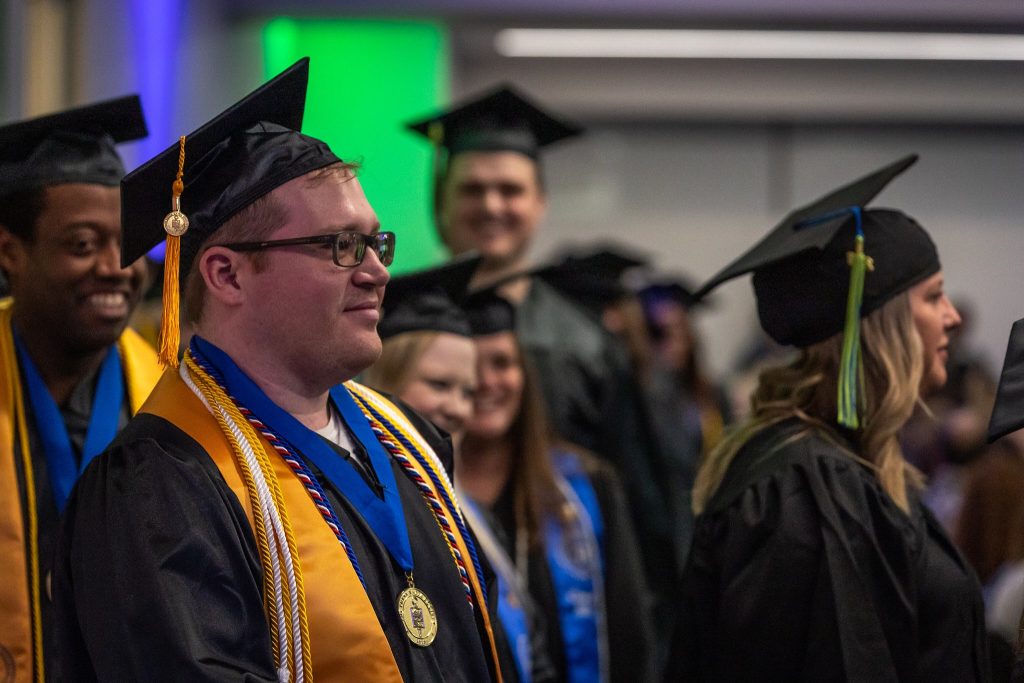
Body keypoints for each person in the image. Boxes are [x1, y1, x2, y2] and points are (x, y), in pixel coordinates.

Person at [52, 59, 502, 682]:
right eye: (340, 246)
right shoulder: (159, 487)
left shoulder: (413, 442)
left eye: (376, 243)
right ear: (227, 274)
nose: (376, 271)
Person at [667, 154, 989, 681]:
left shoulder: (852, 465)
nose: (952, 316)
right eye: (934, 297)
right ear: (881, 326)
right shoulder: (801, 488)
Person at [407, 87, 679, 663]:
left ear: (541, 203)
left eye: (511, 190)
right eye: (473, 189)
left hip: (569, 611)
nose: (493, 205)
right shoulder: (388, 327)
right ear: (440, 199)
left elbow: (643, 508)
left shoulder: (586, 344)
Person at [0, 96, 160, 680]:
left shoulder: (174, 401)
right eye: (83, 245)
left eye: (128, 242)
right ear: (10, 252)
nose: (117, 268)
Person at [364, 255, 558, 683]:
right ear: (383, 382)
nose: (457, 408)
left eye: (467, 392)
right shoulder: (364, 512)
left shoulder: (472, 514)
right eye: (439, 385)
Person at [455, 288, 654, 683]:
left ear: (526, 374)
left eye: (503, 363)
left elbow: (629, 634)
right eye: (470, 366)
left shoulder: (588, 486)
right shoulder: (426, 496)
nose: (487, 381)